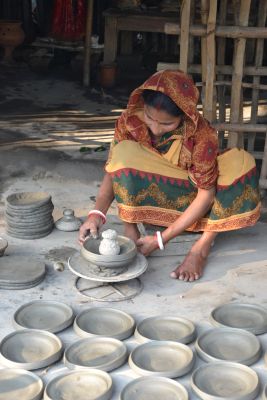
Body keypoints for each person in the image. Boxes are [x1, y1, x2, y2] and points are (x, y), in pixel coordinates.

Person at [79, 70, 260, 282]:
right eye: (149, 117)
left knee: (241, 163)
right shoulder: (130, 121)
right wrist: (96, 214)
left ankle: (200, 248)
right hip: (160, 191)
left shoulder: (202, 134)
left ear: (184, 115)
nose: (155, 129)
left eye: (166, 124)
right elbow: (113, 170)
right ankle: (132, 230)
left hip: (197, 199)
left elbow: (206, 194)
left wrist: (161, 239)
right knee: (123, 153)